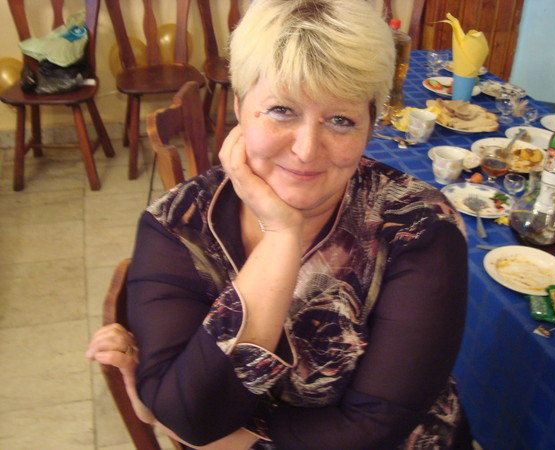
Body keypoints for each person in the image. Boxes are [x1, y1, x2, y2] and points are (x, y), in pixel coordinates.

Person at [86, 0, 470, 448]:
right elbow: (189, 415)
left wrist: (228, 440)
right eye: (282, 110)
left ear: (369, 129)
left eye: (340, 120)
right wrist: (282, 236)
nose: (306, 150)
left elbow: (374, 429)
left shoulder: (420, 227)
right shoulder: (176, 224)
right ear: (239, 106)